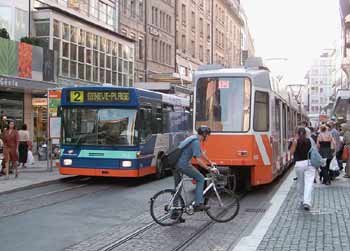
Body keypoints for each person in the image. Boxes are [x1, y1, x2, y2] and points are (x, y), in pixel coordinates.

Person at [173, 126, 218, 215]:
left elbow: (201, 153)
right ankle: (198, 204)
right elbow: (198, 159)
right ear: (204, 134)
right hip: (183, 165)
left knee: (178, 188)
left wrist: (210, 162)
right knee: (200, 178)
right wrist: (208, 168)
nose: (208, 137)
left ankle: (174, 212)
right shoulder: (196, 142)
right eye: (207, 135)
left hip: (176, 164)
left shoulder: (193, 138)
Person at [290, 127, 313, 210]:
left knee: (300, 183)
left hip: (299, 164)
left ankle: (301, 199)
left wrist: (294, 142)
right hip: (309, 163)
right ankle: (307, 202)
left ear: (297, 133)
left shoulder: (295, 141)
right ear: (305, 133)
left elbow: (291, 152)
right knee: (309, 183)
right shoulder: (309, 141)